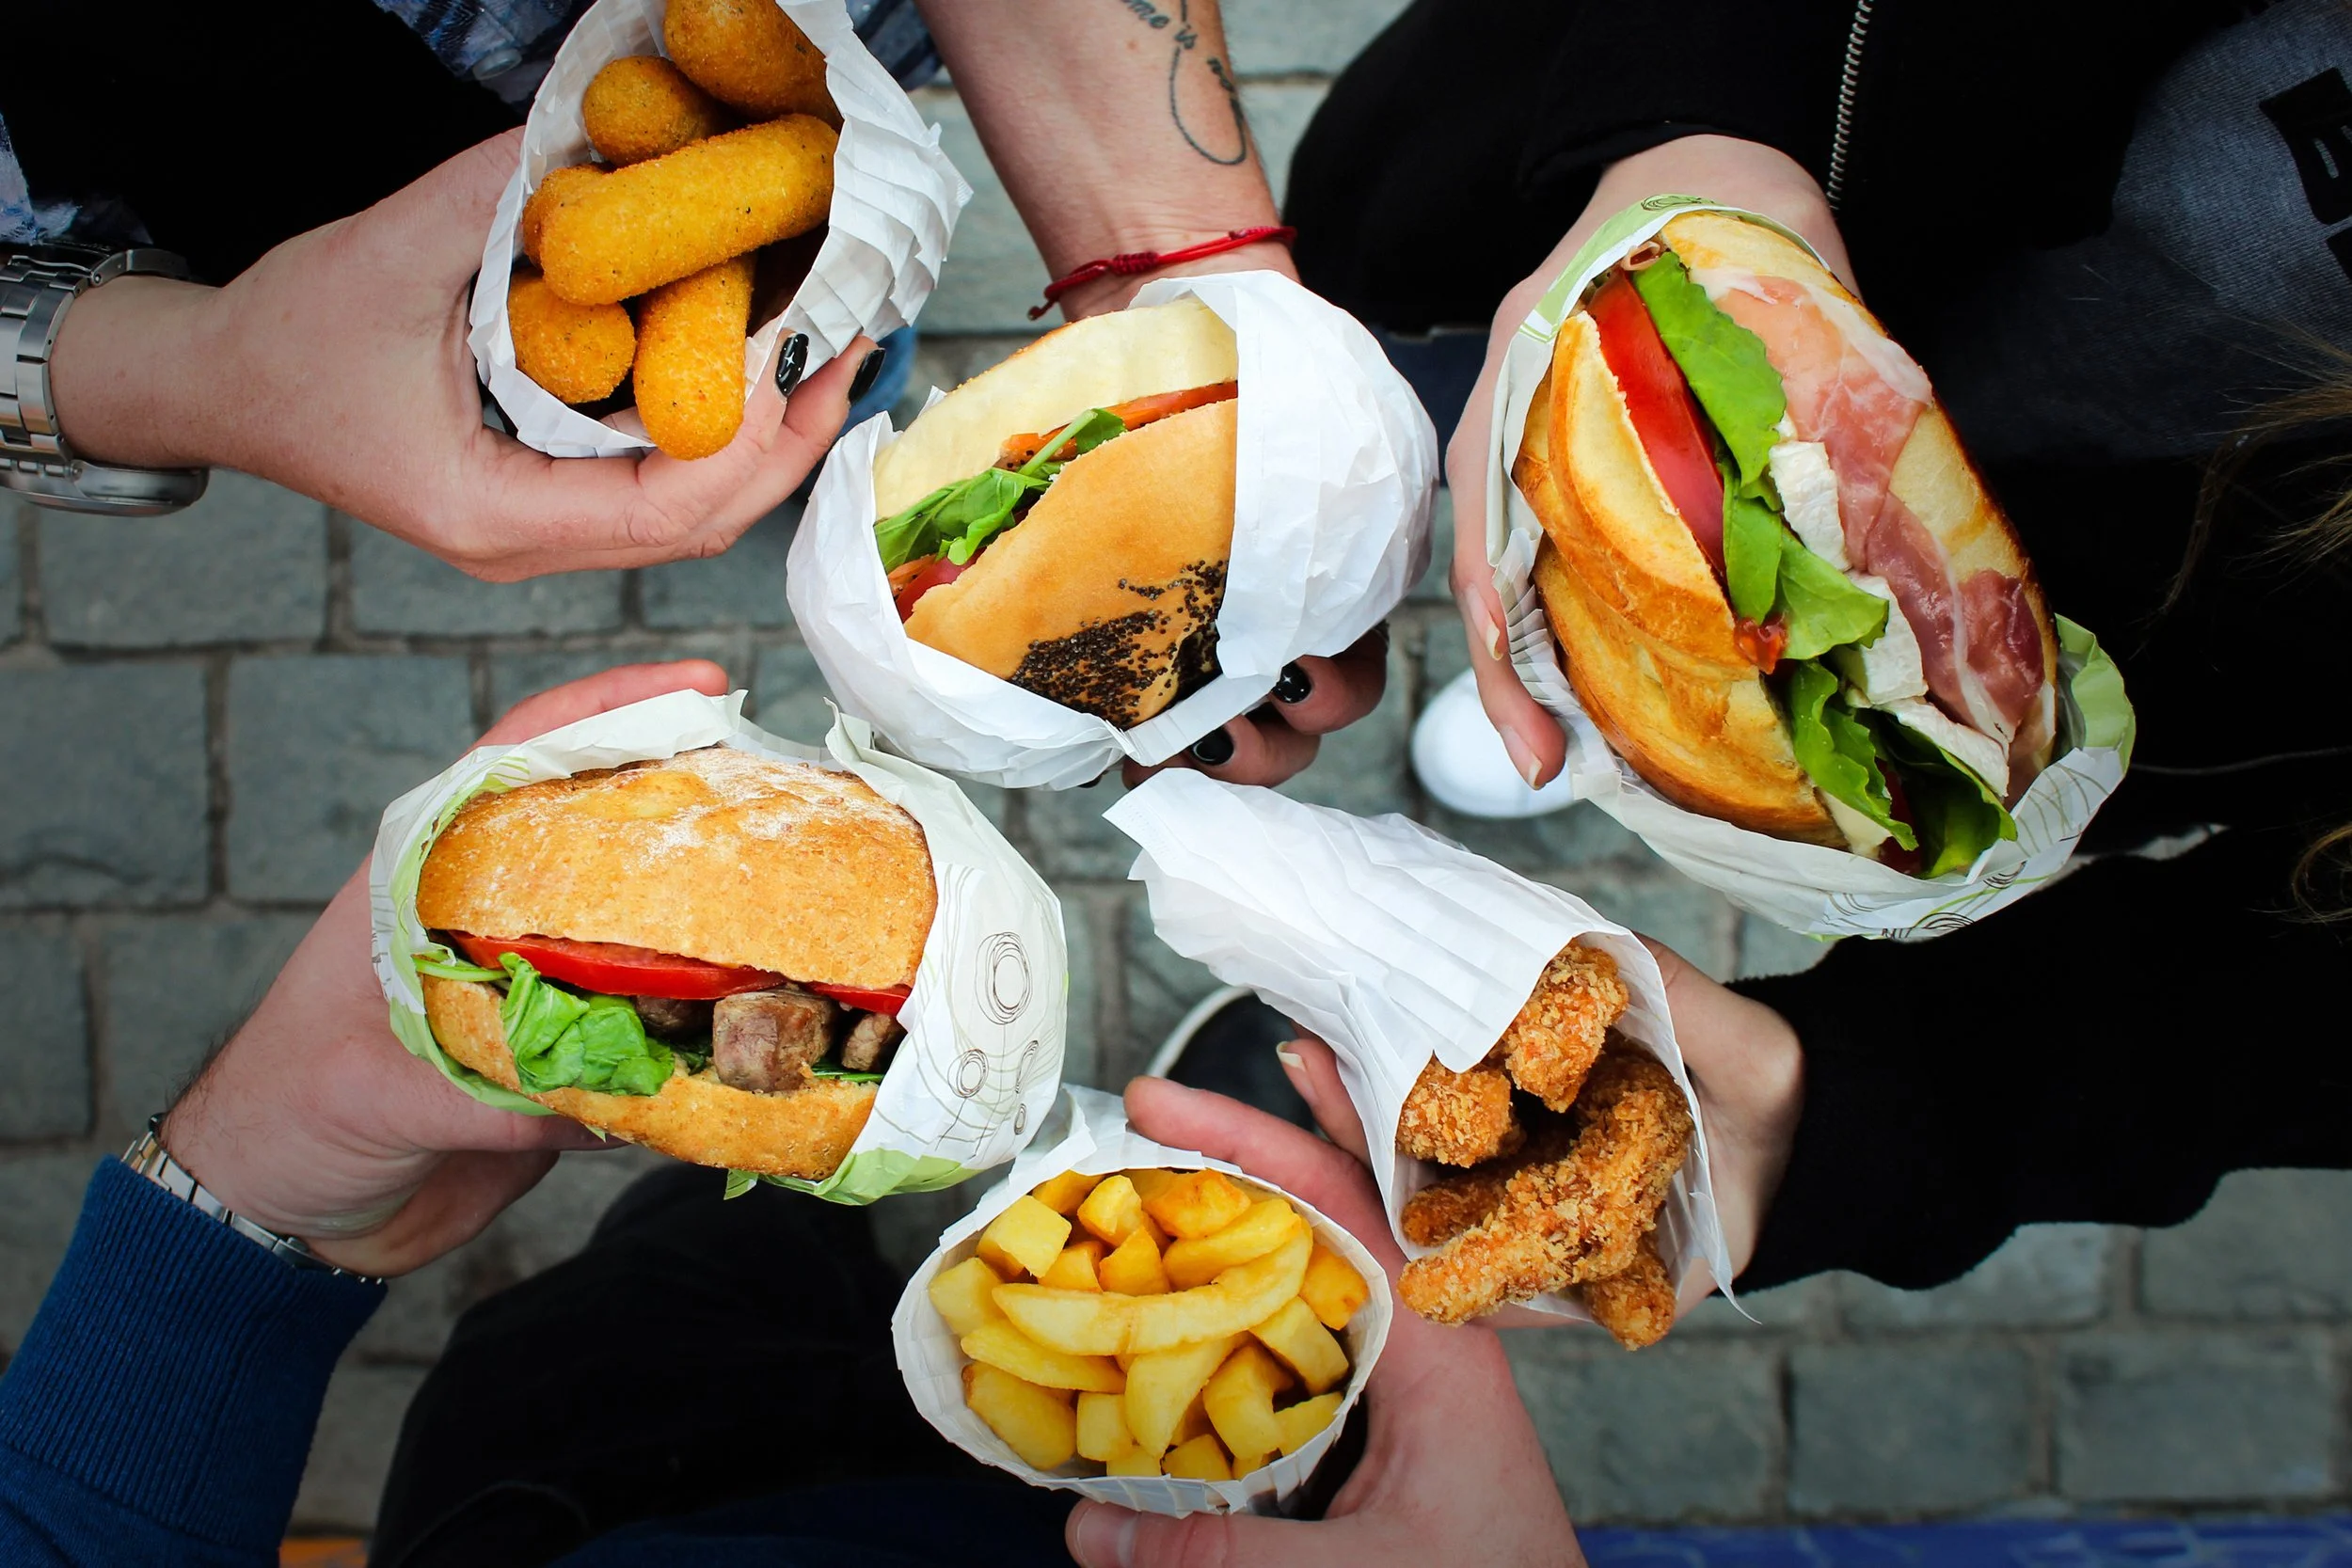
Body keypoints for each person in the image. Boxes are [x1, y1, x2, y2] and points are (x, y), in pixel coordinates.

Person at [0, 663, 1581, 1568]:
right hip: (1003, 1540)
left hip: (538, 1483)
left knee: (681, 1243)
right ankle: (1049, 1217)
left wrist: (220, 1216)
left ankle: (855, 1197)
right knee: (741, 1235)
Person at [1265, 0, 2352, 1294]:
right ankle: (1563, 667)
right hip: (1718, 175)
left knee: (1744, 727)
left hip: (2107, 666)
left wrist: (1851, 1108)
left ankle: (1587, 719)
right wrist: (1694, 111)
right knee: (1426, 358)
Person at [0, 0, 1385, 786]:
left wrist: (1190, 284)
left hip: (777, 109)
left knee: (821, 332)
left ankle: (849, 375)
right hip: (268, 265)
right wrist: (209, 369)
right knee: (733, 363)